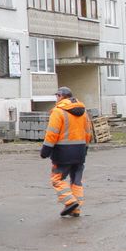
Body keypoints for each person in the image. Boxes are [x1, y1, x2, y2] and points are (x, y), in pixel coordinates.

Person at [40, 86, 93, 217]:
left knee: (57, 179)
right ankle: (76, 209)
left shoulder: (58, 112)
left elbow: (52, 133)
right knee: (76, 180)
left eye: (56, 96)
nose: (55, 99)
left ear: (61, 96)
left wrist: (45, 150)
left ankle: (70, 202)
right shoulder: (83, 111)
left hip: (63, 152)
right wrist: (85, 148)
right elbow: (88, 132)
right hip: (80, 151)